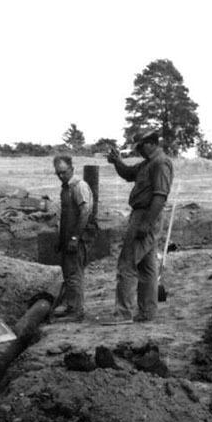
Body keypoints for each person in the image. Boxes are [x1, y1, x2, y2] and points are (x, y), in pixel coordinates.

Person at [105, 130, 173, 323]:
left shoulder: (160, 163)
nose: (139, 151)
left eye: (141, 147)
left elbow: (160, 196)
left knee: (126, 264)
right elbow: (128, 174)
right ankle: (147, 312)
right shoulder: (148, 163)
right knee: (147, 266)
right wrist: (117, 161)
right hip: (143, 215)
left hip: (146, 215)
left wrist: (146, 223)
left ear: (151, 144)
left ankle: (123, 314)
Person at [52, 154, 94, 321]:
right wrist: (62, 239)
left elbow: (85, 212)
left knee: (74, 273)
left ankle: (77, 311)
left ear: (72, 169)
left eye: (64, 172)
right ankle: (71, 305)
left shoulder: (79, 186)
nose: (61, 176)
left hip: (78, 238)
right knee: (69, 273)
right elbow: (66, 216)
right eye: (58, 173)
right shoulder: (65, 188)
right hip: (69, 237)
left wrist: (75, 238)